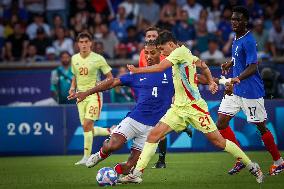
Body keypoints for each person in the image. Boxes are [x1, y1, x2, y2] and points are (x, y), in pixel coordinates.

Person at [120, 31, 264, 184]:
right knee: (153, 136)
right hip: (178, 108)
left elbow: (160, 67)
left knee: (219, 142)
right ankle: (136, 174)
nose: (161, 53)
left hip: (195, 108)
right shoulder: (185, 51)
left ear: (170, 45)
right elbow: (203, 65)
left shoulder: (178, 52)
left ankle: (251, 165)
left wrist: (136, 70)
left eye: (162, 49)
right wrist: (211, 81)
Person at [68, 40, 174, 176]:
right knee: (112, 146)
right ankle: (101, 154)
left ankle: (110, 175)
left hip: (153, 129)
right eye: (146, 53)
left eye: (152, 53)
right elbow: (113, 82)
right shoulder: (137, 73)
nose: (148, 56)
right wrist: (87, 92)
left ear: (160, 53)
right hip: (134, 120)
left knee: (129, 167)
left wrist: (210, 80)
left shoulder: (171, 72)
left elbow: (193, 79)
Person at [217, 6, 284, 176]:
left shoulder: (248, 40)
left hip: (251, 91)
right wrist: (229, 63)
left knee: (260, 127)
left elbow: (253, 66)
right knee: (221, 123)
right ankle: (241, 158)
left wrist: (238, 77)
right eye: (232, 18)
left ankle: (279, 161)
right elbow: (238, 57)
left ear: (245, 22)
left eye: (238, 19)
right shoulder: (236, 37)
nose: (234, 22)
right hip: (236, 89)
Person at [139, 27, 192, 169]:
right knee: (158, 125)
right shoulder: (143, 53)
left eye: (153, 35)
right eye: (148, 35)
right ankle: (182, 127)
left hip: (167, 90)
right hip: (153, 91)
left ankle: (161, 160)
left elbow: (177, 74)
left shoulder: (167, 54)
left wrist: (174, 93)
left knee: (158, 126)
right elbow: (143, 72)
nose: (150, 38)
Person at [69, 32, 113, 165]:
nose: (83, 45)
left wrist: (98, 85)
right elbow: (75, 75)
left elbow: (110, 77)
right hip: (79, 96)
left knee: (87, 124)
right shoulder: (74, 58)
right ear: (78, 44)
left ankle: (86, 157)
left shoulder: (98, 58)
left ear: (90, 43)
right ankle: (110, 131)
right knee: (86, 128)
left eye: (86, 42)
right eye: (81, 42)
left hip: (94, 95)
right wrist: (72, 88)